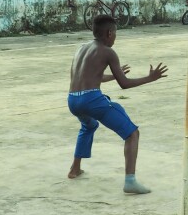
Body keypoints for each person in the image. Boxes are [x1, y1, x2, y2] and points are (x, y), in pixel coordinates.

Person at [66, 14, 168, 193]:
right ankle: (130, 181)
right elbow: (125, 84)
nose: (115, 37)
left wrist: (113, 75)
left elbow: (87, 77)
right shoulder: (108, 52)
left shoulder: (81, 48)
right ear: (109, 33)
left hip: (73, 100)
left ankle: (75, 168)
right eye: (115, 34)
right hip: (92, 100)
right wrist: (150, 78)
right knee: (132, 133)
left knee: (88, 126)